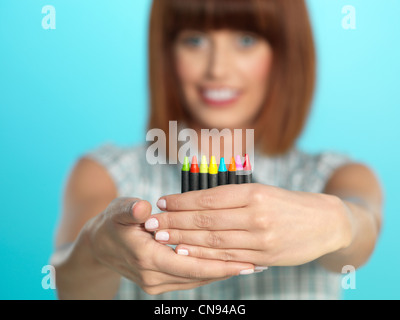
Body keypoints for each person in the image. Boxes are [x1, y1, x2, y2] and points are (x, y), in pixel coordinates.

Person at [51, 0, 383, 300]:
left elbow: (361, 234)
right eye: (194, 40)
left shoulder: (335, 175)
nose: (217, 70)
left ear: (284, 53)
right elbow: (72, 288)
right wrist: (97, 247)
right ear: (167, 52)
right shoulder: (105, 173)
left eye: (246, 40)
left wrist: (342, 223)